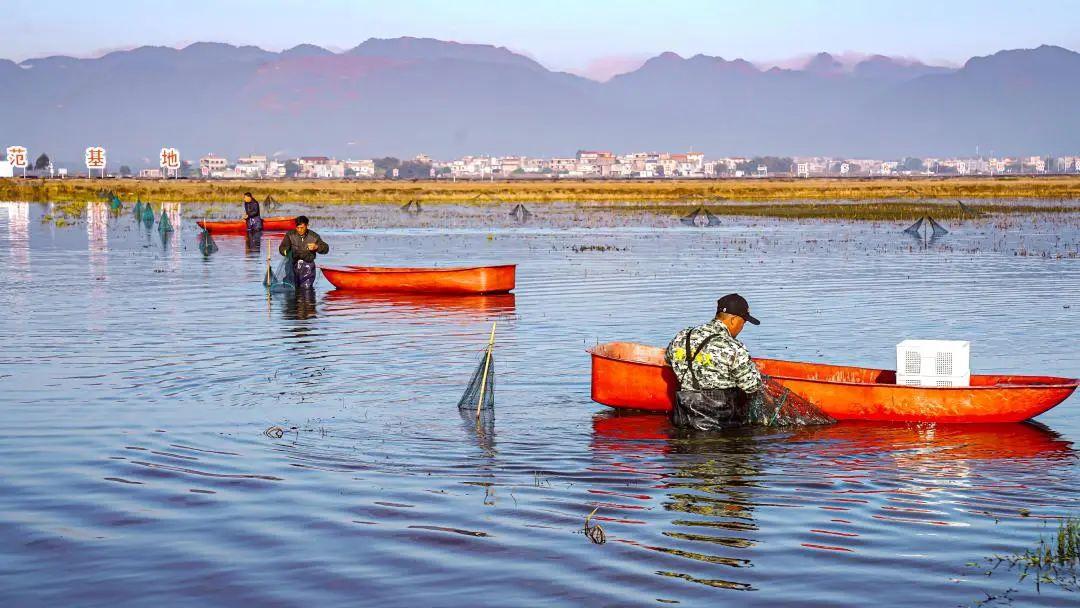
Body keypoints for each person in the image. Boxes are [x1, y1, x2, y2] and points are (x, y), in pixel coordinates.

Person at [665, 293, 764, 431]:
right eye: (744, 322)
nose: (743, 327)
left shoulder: (683, 336)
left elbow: (668, 359)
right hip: (719, 428)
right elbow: (752, 386)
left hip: (682, 422)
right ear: (734, 320)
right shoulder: (734, 348)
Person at [278, 216, 329, 289]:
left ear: (307, 226)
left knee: (306, 290)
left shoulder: (314, 236)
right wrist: (286, 252)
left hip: (308, 266)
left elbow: (326, 248)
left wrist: (316, 247)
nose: (299, 230)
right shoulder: (290, 235)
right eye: (297, 227)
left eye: (302, 228)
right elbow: (282, 248)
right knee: (291, 288)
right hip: (292, 264)